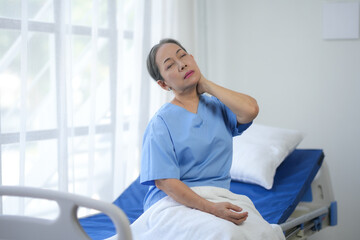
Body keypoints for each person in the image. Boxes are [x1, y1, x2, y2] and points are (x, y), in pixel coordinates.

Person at [128, 38, 285, 240]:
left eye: (182, 55)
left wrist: (206, 84)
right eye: (170, 65)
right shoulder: (161, 123)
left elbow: (250, 110)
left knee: (264, 233)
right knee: (225, 234)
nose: (181, 64)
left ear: (192, 58)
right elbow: (166, 182)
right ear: (163, 83)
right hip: (173, 204)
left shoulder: (217, 107)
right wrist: (211, 208)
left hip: (220, 197)